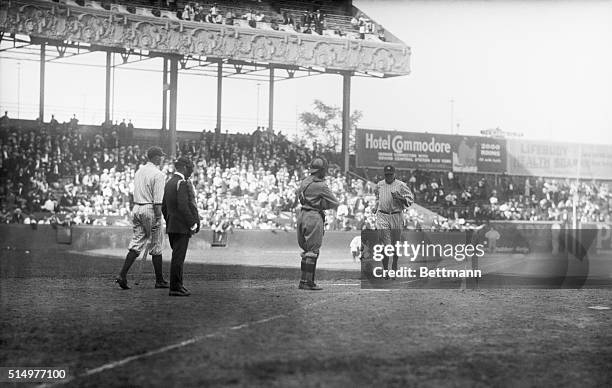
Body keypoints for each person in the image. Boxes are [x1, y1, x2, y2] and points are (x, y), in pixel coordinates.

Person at [116, 146, 168, 290]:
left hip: (137, 208)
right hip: (150, 209)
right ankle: (159, 280)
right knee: (156, 244)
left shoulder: (139, 171)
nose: (162, 158)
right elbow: (158, 201)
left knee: (137, 242)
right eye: (161, 156)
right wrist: (158, 218)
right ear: (156, 157)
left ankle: (122, 274)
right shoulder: (159, 174)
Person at [296, 157, 339, 290]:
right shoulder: (321, 185)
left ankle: (303, 280)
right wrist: (321, 204)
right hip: (313, 216)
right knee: (313, 251)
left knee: (307, 250)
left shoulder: (304, 181)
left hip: (302, 215)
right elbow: (335, 203)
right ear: (321, 170)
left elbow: (300, 197)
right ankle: (309, 282)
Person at [162, 156, 200, 297]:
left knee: (177, 256)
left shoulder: (169, 182)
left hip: (172, 225)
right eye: (189, 168)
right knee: (178, 258)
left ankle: (178, 285)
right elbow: (183, 206)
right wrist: (192, 223)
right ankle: (175, 287)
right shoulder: (181, 183)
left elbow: (164, 207)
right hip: (181, 226)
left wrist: (169, 220)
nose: (190, 171)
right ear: (184, 168)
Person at [374, 165, 414, 278]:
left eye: (390, 174)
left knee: (395, 245)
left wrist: (400, 198)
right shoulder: (379, 185)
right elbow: (377, 197)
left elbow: (411, 200)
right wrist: (376, 206)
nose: (388, 177)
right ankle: (386, 270)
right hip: (383, 215)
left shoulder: (401, 185)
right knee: (385, 245)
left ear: (394, 174)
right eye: (386, 175)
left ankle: (395, 264)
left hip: (396, 215)